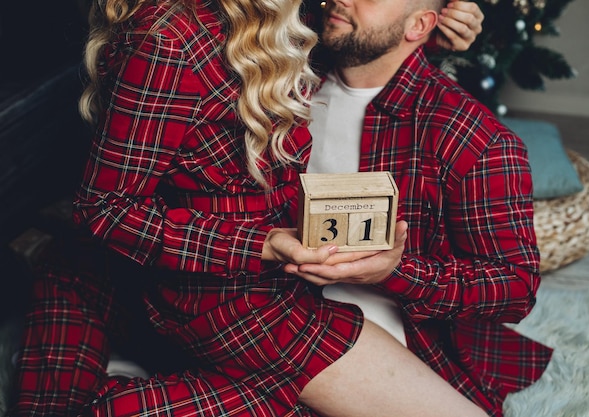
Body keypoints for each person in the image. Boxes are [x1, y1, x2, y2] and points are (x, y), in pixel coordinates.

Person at [9, 1, 490, 417]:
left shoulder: (279, 18)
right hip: (232, 305)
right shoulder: (169, 38)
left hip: (283, 289)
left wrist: (422, 34)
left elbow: (362, 50)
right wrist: (261, 243)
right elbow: (104, 209)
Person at [287, 0, 553, 416]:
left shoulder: (473, 138)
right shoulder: (285, 83)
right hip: (269, 300)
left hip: (389, 328)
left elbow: (515, 288)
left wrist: (397, 271)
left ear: (420, 25)